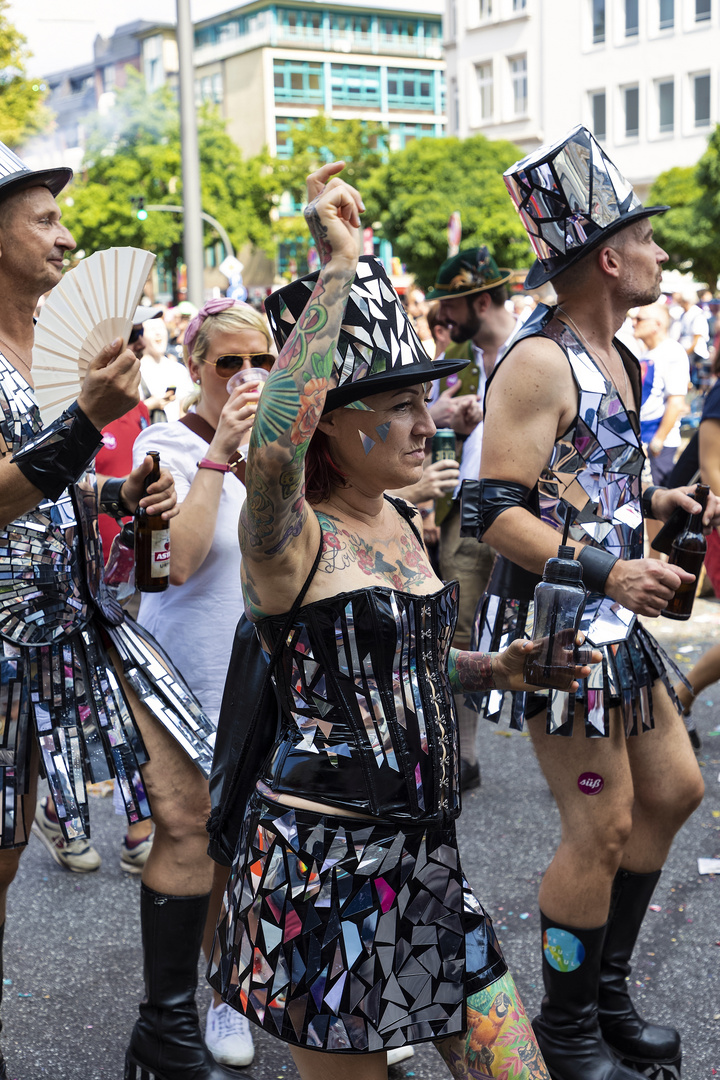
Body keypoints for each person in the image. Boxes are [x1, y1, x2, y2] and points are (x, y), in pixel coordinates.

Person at [208, 161, 597, 1080]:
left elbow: (400, 670)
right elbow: (273, 443)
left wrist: (499, 669)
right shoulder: (287, 542)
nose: (430, 423)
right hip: (322, 877)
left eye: (428, 401)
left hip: (426, 861)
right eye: (401, 406)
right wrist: (339, 262)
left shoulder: (401, 518)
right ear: (335, 428)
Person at [469, 124, 718, 1080]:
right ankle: (567, 1031)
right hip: (559, 633)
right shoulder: (538, 361)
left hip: (616, 627)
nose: (663, 254)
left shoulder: (621, 355)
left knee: (676, 790)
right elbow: (493, 510)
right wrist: (608, 569)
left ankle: (605, 993)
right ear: (609, 257)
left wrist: (659, 499)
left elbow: (586, 477)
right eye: (650, 241)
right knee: (600, 824)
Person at [0, 140, 242, 1080]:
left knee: (190, 807)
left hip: (85, 624)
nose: (68, 234)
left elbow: (52, 495)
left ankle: (167, 1029)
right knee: (5, 861)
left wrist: (117, 500)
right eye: (45, 217)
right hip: (7, 643)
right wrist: (81, 429)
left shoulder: (53, 353)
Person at [132, 298, 273, 1067]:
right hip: (188, 678)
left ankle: (237, 988)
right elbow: (169, 568)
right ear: (195, 370)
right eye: (230, 363)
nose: (248, 377)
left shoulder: (284, 451)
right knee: (201, 841)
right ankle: (197, 1003)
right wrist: (221, 448)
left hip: (269, 679)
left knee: (259, 844)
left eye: (262, 362)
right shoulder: (165, 446)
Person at [424, 248, 519, 791]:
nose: (445, 318)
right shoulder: (469, 358)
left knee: (528, 624)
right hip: (470, 506)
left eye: (453, 306)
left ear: (481, 301)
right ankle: (464, 756)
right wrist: (459, 424)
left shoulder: (533, 347)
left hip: (523, 507)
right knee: (458, 628)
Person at [635, 302, 690, 486]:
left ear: (657, 324)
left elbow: (676, 401)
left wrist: (658, 440)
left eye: (640, 319)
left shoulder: (672, 351)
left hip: (658, 444)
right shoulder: (647, 353)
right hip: (643, 440)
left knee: (656, 504)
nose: (634, 323)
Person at [140, 314, 194, 423]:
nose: (158, 333)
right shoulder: (135, 371)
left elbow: (187, 407)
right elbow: (125, 415)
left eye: (161, 328)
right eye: (152, 330)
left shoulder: (178, 370)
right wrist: (150, 404)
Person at [677, 290, 710, 389]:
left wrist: (685, 354)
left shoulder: (697, 315)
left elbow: (696, 340)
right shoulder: (684, 314)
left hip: (695, 354)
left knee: (694, 382)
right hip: (686, 351)